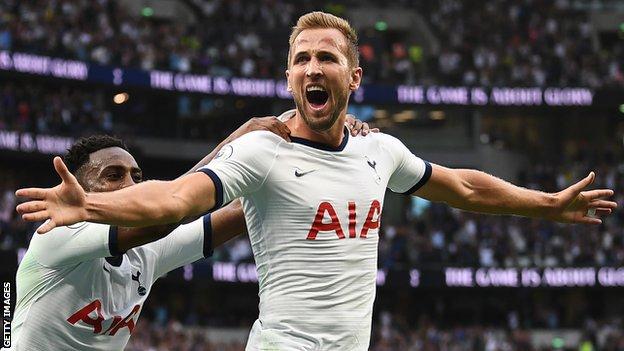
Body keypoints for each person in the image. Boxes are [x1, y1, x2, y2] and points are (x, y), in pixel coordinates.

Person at [16, 12, 616, 351]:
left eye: (326, 57)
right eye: (301, 59)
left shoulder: (381, 150)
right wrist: (94, 205)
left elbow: (462, 187)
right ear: (288, 78)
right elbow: (176, 198)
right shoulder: (261, 153)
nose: (312, 67)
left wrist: (544, 205)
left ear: (353, 75)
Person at [7, 114, 376, 351]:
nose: (133, 185)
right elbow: (167, 213)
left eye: (137, 177)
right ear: (80, 191)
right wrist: (237, 142)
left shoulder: (146, 253)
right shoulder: (57, 235)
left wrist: (325, 155)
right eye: (113, 176)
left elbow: (243, 212)